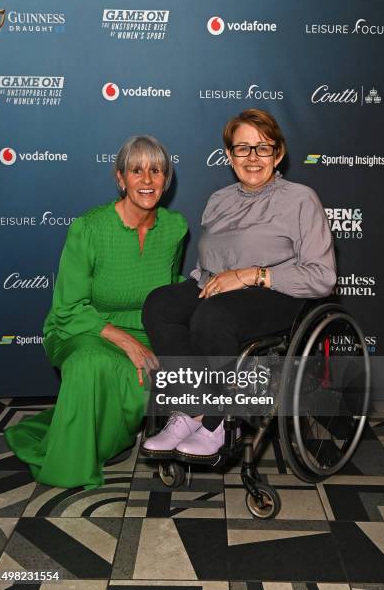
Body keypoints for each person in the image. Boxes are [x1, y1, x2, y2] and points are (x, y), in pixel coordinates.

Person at [141, 108, 337, 462]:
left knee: (213, 316)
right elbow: (206, 265)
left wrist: (252, 275)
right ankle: (192, 409)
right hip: (218, 287)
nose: (252, 158)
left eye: (262, 148)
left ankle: (218, 422)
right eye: (242, 148)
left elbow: (322, 276)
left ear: (278, 153)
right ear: (229, 155)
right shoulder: (220, 200)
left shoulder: (300, 199)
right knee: (160, 304)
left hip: (276, 292)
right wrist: (203, 287)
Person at [5, 136, 188, 489]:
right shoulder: (88, 229)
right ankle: (74, 459)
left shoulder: (175, 228)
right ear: (120, 178)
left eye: (156, 170)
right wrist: (124, 341)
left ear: (166, 179)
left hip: (145, 329)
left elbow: (168, 292)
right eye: (137, 170)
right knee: (91, 364)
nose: (147, 180)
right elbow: (68, 306)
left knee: (147, 376)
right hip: (82, 328)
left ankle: (105, 438)